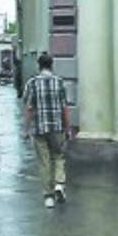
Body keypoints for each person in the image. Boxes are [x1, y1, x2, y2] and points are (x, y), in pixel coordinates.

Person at [22, 52, 74, 208]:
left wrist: (26, 129)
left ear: (39, 65)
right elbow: (65, 108)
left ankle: (48, 197)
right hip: (56, 127)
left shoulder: (32, 83)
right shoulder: (59, 82)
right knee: (58, 156)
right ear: (51, 65)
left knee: (44, 161)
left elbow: (29, 108)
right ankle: (59, 184)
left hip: (39, 129)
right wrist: (68, 127)